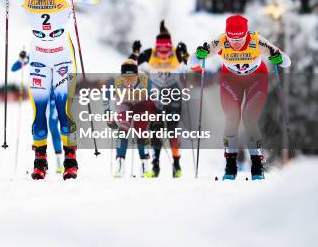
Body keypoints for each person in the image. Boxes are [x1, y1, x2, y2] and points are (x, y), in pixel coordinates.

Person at [0, 0, 99, 180]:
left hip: (62, 57)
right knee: (39, 114)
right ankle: (40, 162)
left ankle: (70, 162)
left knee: (63, 111)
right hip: (38, 55)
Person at [190, 15, 291, 180]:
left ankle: (257, 167)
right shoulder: (220, 42)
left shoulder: (256, 41)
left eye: (240, 38)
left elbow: (286, 61)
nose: (236, 43)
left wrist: (278, 57)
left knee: (249, 118)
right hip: (231, 80)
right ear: (226, 34)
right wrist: (200, 55)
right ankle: (230, 167)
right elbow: (191, 62)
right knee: (231, 118)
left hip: (257, 79)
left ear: (246, 34)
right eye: (232, 38)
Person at [130, 20, 189, 178]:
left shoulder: (176, 52)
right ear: (157, 46)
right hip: (156, 97)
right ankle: (155, 164)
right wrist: (136, 52)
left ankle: (176, 164)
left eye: (166, 49)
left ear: (170, 45)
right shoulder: (150, 53)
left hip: (174, 96)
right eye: (160, 49)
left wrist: (185, 53)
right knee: (155, 129)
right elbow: (131, 64)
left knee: (171, 131)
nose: (163, 53)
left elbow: (190, 64)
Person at [11, 50, 64, 173]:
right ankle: (40, 161)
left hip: (54, 96)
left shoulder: (56, 51)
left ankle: (59, 161)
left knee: (52, 125)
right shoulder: (37, 54)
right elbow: (14, 68)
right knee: (38, 124)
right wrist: (21, 59)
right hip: (40, 95)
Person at [104, 60, 156, 178]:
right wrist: (108, 115)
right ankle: (120, 163)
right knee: (122, 130)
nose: (129, 81)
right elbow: (106, 99)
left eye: (132, 77)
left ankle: (145, 164)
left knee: (140, 131)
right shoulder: (116, 82)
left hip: (142, 105)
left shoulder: (145, 80)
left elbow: (156, 98)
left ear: (137, 75)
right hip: (125, 104)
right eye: (125, 77)